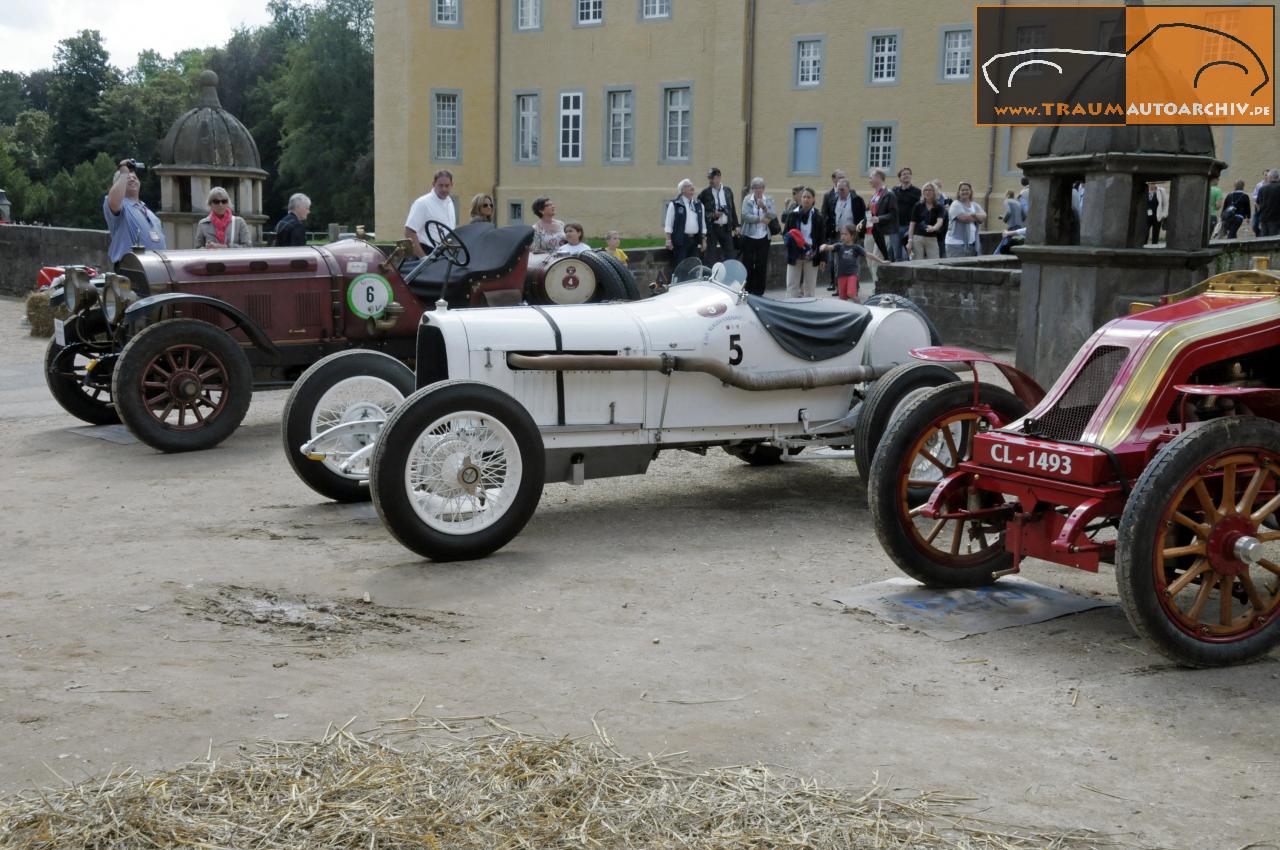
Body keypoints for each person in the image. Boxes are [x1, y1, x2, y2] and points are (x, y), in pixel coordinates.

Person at [104, 158, 166, 269]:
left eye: (134, 177)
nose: (131, 179)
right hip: (131, 267)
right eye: (128, 178)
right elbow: (113, 201)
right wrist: (123, 173)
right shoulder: (120, 204)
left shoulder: (148, 212)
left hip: (156, 267)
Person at [819, 223, 884, 302]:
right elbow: (830, 247)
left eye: (845, 234)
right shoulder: (839, 246)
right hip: (841, 275)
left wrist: (882, 261)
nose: (842, 236)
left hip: (852, 275)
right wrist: (824, 245)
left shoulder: (856, 247)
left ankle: (861, 308)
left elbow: (869, 255)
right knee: (842, 299)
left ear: (852, 236)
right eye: (842, 234)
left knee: (851, 293)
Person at [782, 187, 825, 299]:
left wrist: (823, 258)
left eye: (808, 197)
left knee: (809, 287)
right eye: (804, 197)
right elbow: (785, 233)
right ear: (801, 199)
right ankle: (791, 310)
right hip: (794, 253)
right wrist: (792, 241)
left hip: (812, 253)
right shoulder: (792, 214)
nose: (806, 199)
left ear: (813, 199)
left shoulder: (818, 216)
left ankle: (808, 312)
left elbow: (822, 239)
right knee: (792, 285)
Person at [822, 177, 865, 289]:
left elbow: (863, 217)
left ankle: (854, 286)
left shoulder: (857, 200)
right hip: (837, 234)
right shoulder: (834, 200)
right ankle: (839, 286)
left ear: (848, 189)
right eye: (838, 189)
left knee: (853, 262)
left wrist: (860, 231)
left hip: (852, 235)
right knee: (837, 262)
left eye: (842, 189)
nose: (840, 192)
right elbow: (829, 216)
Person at [404, 169, 457, 258]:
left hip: (444, 254)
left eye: (447, 186)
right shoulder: (422, 203)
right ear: (433, 184)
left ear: (452, 185)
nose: (444, 189)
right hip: (426, 252)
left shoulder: (450, 202)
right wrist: (423, 257)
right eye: (440, 185)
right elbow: (409, 232)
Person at [739, 177, 776, 297]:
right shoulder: (747, 199)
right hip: (749, 236)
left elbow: (773, 215)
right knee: (748, 263)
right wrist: (759, 219)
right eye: (756, 188)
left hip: (764, 236)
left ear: (763, 189)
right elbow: (745, 215)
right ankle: (748, 288)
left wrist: (764, 207)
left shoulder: (768, 199)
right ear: (752, 189)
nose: (758, 190)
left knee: (761, 264)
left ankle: (759, 290)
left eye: (761, 187)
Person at [698, 167, 739, 263]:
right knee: (710, 256)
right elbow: (700, 212)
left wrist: (736, 226)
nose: (710, 180)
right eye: (709, 178)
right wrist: (712, 215)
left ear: (719, 177)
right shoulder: (705, 193)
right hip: (712, 229)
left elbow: (732, 209)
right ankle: (709, 276)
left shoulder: (727, 191)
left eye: (712, 178)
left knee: (730, 256)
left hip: (726, 228)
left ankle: (729, 277)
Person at [663, 178, 706, 266]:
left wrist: (703, 240)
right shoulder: (675, 204)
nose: (692, 187)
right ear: (682, 190)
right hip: (681, 240)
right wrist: (668, 240)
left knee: (694, 266)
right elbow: (668, 223)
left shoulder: (699, 204)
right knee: (680, 265)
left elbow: (703, 224)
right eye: (688, 186)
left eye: (692, 185)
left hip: (694, 240)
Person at [944, 181, 985, 257]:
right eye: (962, 190)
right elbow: (964, 218)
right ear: (959, 192)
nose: (965, 192)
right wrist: (977, 217)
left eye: (967, 190)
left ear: (970, 192)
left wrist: (974, 215)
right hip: (956, 244)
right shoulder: (955, 204)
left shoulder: (974, 205)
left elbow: (983, 217)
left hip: (972, 244)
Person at [866, 169, 898, 262]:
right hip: (870, 232)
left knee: (877, 261)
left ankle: (879, 277)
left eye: (871, 178)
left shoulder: (889, 194)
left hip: (882, 232)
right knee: (869, 262)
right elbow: (869, 213)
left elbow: (893, 214)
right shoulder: (873, 196)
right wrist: (861, 223)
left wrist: (879, 219)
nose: (869, 180)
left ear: (878, 177)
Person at [907, 182, 946, 260]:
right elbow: (912, 225)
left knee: (934, 262)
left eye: (930, 190)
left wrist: (934, 228)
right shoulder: (918, 205)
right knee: (917, 262)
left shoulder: (939, 206)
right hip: (918, 237)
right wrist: (910, 240)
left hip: (932, 237)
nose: (927, 192)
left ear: (934, 192)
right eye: (925, 190)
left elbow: (940, 221)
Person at [891, 166, 920, 262]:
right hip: (895, 227)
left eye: (908, 173)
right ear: (900, 178)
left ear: (911, 176)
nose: (906, 175)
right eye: (904, 174)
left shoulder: (917, 192)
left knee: (907, 254)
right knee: (896, 254)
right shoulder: (894, 191)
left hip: (909, 227)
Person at [1257, 169, 1280, 237]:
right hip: (1276, 218)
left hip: (1264, 217)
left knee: (1264, 239)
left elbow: (1258, 203)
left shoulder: (1262, 188)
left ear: (1269, 177)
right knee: (1274, 240)